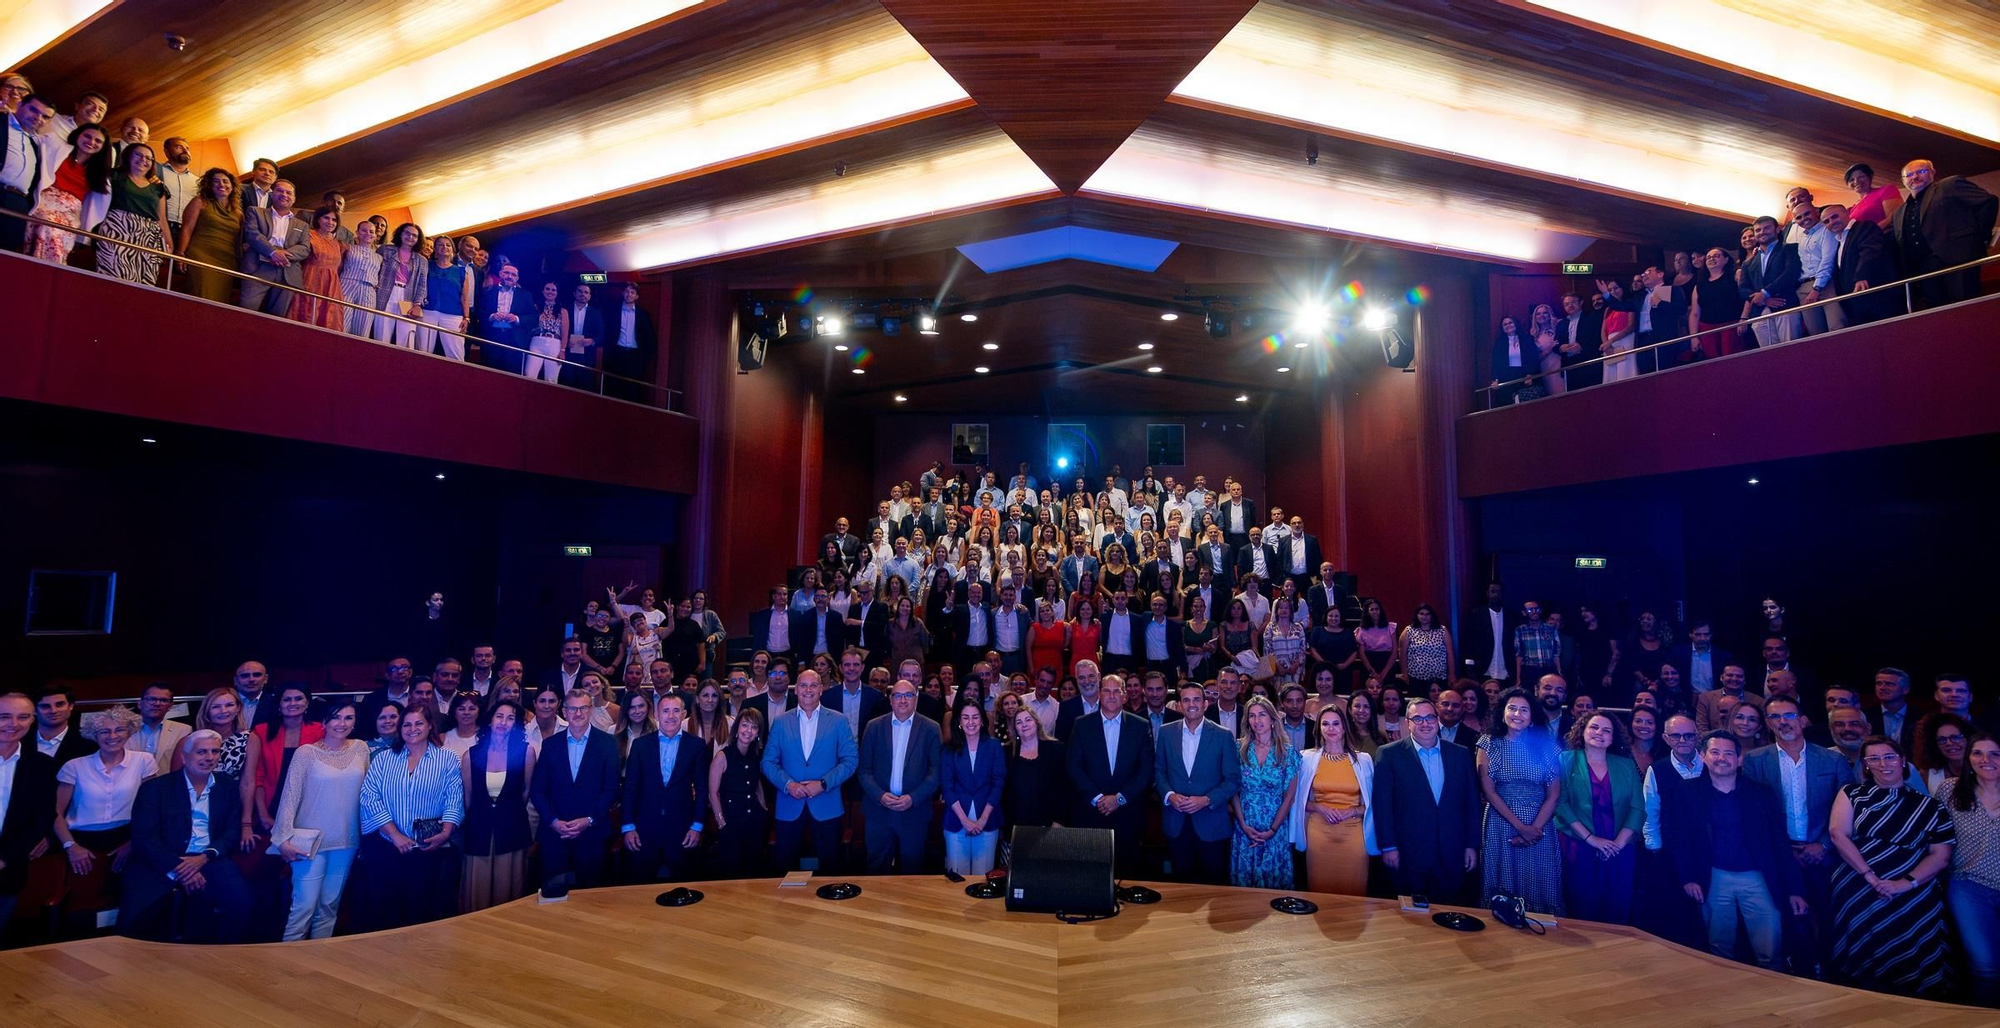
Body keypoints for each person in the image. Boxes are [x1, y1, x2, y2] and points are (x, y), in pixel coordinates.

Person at [1664, 731, 1806, 969]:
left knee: (1770, 947)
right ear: (1703, 756)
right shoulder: (1686, 792)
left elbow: (1779, 843)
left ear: (1739, 759)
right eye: (1715, 752)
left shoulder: (1761, 792)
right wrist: (1688, 877)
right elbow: (1680, 839)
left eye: (1729, 753)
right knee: (1718, 948)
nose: (1722, 758)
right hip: (1713, 875)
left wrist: (1794, 889)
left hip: (1757, 876)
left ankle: (1776, 998)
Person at [1828, 736, 1956, 997]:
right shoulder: (1851, 793)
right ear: (1865, 764)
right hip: (1858, 886)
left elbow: (1941, 856)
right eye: (1873, 758)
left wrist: (1905, 883)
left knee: (1912, 958)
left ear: (1903, 760)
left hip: (1914, 893)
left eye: (1889, 757)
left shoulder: (1931, 806)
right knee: (1861, 966)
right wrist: (1870, 877)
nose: (1882, 763)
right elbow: (1837, 834)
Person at [1741, 695, 1857, 976]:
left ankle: (1832, 975)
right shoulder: (1755, 760)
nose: (1784, 722)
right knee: (1788, 922)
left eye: (1789, 715)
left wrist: (1824, 845)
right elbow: (1754, 814)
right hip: (1780, 856)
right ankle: (1796, 976)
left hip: (1824, 855)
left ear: (1802, 719)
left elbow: (1849, 809)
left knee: (1828, 921)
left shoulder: (1833, 759)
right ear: (1767, 723)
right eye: (1776, 717)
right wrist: (1784, 850)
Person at [118, 731, 252, 942]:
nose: (209, 757)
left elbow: (232, 832)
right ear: (184, 756)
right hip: (162, 860)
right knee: (136, 918)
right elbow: (144, 838)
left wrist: (205, 857)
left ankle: (220, 962)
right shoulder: (156, 788)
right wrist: (181, 870)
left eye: (214, 751)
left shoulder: (227, 786)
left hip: (208, 858)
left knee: (241, 903)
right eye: (201, 752)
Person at [353, 705, 461, 930]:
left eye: (419, 723)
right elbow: (369, 798)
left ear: (430, 725)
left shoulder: (447, 759)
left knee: (421, 911)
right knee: (386, 910)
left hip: (428, 848)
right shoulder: (384, 760)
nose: (413, 729)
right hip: (387, 848)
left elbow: (454, 797)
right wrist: (395, 835)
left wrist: (446, 832)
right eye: (407, 724)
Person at [271, 701, 368, 940]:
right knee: (303, 907)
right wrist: (282, 838)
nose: (342, 723)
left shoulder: (361, 748)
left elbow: (367, 794)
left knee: (329, 907)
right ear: (324, 722)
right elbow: (290, 796)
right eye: (336, 717)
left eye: (348, 718)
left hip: (347, 840)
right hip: (308, 842)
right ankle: (289, 965)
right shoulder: (306, 752)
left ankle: (320, 965)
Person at [1372, 698, 1481, 903]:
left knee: (1451, 912)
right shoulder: (1389, 754)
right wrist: (1388, 846)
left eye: (1430, 717)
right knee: (1413, 917)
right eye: (1418, 718)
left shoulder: (1460, 754)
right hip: (1409, 852)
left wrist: (1472, 845)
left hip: (1452, 850)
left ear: (1437, 720)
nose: (1425, 723)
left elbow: (1472, 804)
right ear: (1408, 723)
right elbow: (1382, 805)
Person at [53, 706, 154, 903]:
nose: (112, 736)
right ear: (93, 734)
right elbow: (55, 812)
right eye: (104, 731)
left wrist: (134, 844)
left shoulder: (144, 761)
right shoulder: (74, 766)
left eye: (119, 729)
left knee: (129, 900)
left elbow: (152, 810)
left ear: (130, 731)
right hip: (82, 843)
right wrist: (71, 847)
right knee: (82, 904)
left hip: (129, 839)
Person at [762, 671, 858, 873]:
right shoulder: (780, 722)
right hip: (789, 806)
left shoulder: (839, 721)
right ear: (795, 690)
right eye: (803, 686)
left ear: (821, 689)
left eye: (813, 685)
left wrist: (823, 784)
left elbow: (850, 760)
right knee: (785, 870)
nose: (808, 690)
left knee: (831, 868)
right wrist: (789, 784)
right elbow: (768, 762)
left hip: (827, 805)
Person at [1478, 687, 1563, 915]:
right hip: (1502, 821)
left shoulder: (1548, 748)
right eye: (1512, 708)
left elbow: (1554, 794)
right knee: (1503, 884)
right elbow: (1489, 792)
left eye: (1524, 710)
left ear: (1532, 715)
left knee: (1540, 881)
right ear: (1503, 713)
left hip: (1540, 824)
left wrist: (1533, 829)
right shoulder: (1488, 743)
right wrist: (1520, 828)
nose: (1518, 714)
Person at [1556, 713, 1642, 923]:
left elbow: (1638, 807)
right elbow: (1561, 803)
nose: (1599, 733)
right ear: (1582, 731)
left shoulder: (1626, 765)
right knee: (1582, 906)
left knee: (1617, 906)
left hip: (1619, 847)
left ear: (1613, 738)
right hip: (1580, 844)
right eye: (1594, 727)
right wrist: (1592, 840)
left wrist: (1617, 845)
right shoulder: (1565, 760)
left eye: (1606, 730)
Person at [1936, 734, 2000, 1007]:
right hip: (1969, 885)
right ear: (1968, 758)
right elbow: (1932, 835)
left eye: (1995, 753)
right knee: (1985, 965)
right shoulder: (1950, 789)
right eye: (1978, 753)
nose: (1986, 760)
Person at [1066, 674, 1153, 875]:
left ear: (1124, 696)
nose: (1112, 696)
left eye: (1117, 691)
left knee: (1127, 874)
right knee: (1090, 875)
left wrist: (1120, 798)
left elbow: (1146, 770)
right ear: (1099, 694)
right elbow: (1073, 766)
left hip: (1128, 814)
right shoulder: (1082, 724)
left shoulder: (1140, 725)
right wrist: (1097, 798)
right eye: (1107, 690)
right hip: (1091, 814)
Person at [620, 692, 707, 883]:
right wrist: (628, 826)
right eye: (666, 711)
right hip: (645, 827)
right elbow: (630, 788)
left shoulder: (697, 745)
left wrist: (697, 826)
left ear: (684, 714)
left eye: (676, 711)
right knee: (640, 884)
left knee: (683, 884)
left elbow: (702, 790)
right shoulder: (640, 745)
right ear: (657, 714)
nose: (671, 716)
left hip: (682, 828)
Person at [859, 679, 942, 873]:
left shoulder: (931, 728)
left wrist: (912, 798)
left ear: (916, 699)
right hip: (879, 813)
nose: (903, 700)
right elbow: (864, 771)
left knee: (912, 872)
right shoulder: (873, 727)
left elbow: (935, 772)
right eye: (897, 695)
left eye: (908, 695)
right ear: (890, 699)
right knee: (876, 869)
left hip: (914, 813)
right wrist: (880, 795)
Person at [1894, 159, 1999, 309]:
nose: (1915, 177)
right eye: (1909, 175)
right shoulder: (1898, 213)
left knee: (1967, 311)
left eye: (1921, 171)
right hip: (1923, 273)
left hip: (1958, 260)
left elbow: (1988, 202)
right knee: (1940, 318)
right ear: (1903, 180)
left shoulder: (1949, 185)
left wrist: (1980, 239)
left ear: (1932, 173)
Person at [1226, 696, 1298, 888]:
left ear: (1273, 720)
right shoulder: (1238, 748)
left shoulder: (1288, 752)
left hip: (1275, 827)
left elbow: (1289, 797)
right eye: (1252, 716)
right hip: (1245, 826)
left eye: (1262, 715)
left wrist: (1272, 830)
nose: (1257, 721)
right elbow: (1233, 791)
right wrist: (1242, 824)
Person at [28, 120, 109, 264]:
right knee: (46, 226)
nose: (91, 142)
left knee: (59, 247)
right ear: (78, 135)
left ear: (103, 147)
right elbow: (35, 140)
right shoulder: (58, 148)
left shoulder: (98, 173)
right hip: (44, 205)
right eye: (87, 136)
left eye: (98, 141)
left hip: (70, 215)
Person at [942, 699, 1006, 876]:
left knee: (982, 878)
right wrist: (964, 820)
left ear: (982, 720)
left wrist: (983, 818)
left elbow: (998, 783)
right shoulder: (949, 749)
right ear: (960, 722)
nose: (971, 722)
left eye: (975, 717)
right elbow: (947, 786)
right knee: (957, 878)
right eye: (966, 717)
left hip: (987, 821)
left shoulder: (994, 746)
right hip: (956, 821)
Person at [93, 141, 168, 283]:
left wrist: (168, 243)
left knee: (144, 282)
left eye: (148, 158)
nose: (143, 160)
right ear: (127, 156)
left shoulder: (158, 187)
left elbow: (161, 218)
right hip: (117, 229)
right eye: (138, 155)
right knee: (113, 276)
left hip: (148, 236)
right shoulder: (114, 176)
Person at [708, 710, 770, 878]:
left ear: (758, 733)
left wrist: (763, 808)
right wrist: (721, 823)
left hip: (754, 821)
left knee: (754, 870)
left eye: (754, 727)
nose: (748, 731)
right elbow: (713, 793)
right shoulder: (722, 756)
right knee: (732, 872)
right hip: (731, 822)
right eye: (744, 725)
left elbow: (757, 784)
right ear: (736, 728)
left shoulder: (756, 755)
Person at [236, 179, 310, 316]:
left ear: (294, 199)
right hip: (258, 267)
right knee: (245, 312)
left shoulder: (302, 225)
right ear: (272, 194)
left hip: (287, 272)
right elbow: (252, 235)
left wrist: (282, 255)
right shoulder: (255, 212)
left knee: (276, 319)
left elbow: (305, 248)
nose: (284, 195)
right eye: (280, 191)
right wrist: (272, 252)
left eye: (289, 193)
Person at [0, 95, 51, 256]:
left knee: (6, 257)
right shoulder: (1, 122)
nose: (38, 118)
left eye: (45, 117)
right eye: (33, 110)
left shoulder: (36, 142)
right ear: (20, 104)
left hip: (19, 204)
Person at [1004, 704, 1067, 834]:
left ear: (1036, 723)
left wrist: (1058, 820)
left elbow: (1064, 788)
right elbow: (1004, 791)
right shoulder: (1007, 752)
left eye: (1028, 720)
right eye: (1019, 722)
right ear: (1015, 728)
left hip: (1048, 823)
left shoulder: (1055, 749)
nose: (1024, 725)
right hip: (1015, 824)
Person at [370, 222, 428, 349]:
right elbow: (374, 269)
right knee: (381, 335)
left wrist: (418, 304)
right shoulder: (385, 250)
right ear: (400, 233)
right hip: (385, 294)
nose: (410, 237)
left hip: (408, 297)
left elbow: (422, 285)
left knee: (407, 338)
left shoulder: (422, 260)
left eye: (414, 235)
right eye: (407, 233)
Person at [416, 234, 472, 360]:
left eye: (448, 245)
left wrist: (466, 318)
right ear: (435, 249)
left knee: (456, 355)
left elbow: (464, 297)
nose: (444, 247)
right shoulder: (427, 265)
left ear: (452, 249)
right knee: (422, 352)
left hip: (453, 315)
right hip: (427, 311)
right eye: (440, 244)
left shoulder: (461, 272)